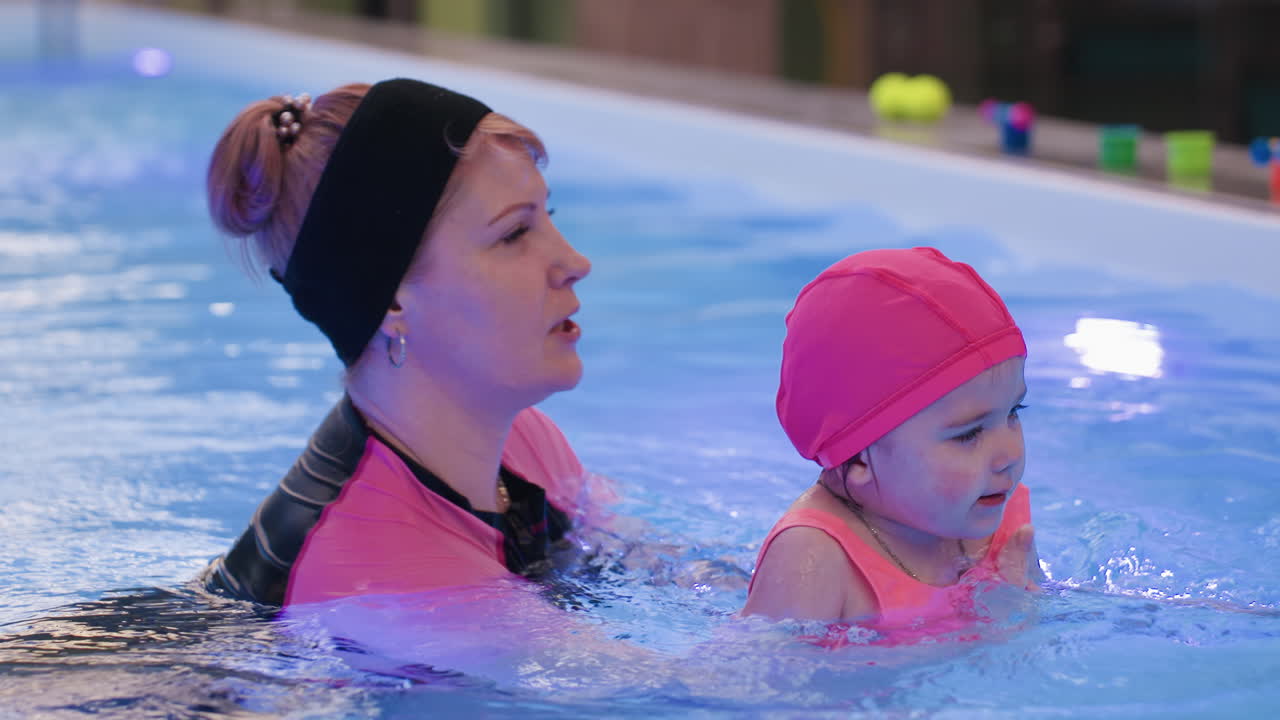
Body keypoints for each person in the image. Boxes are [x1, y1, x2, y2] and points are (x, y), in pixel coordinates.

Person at [200, 78, 593, 607]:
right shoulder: (377, 575)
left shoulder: (523, 442)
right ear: (391, 301)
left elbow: (653, 565)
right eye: (514, 233)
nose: (574, 263)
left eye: (549, 216)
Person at [743, 247, 1042, 635]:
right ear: (861, 456)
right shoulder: (816, 559)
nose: (1009, 454)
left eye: (1014, 413)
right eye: (969, 433)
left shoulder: (991, 521)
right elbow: (760, 690)